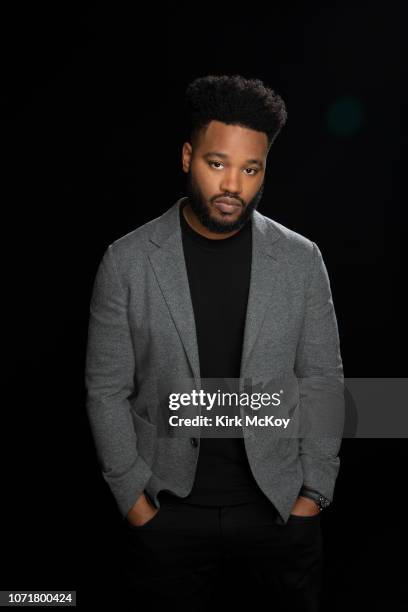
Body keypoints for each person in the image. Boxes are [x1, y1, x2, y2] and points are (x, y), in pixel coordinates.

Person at [85, 74, 345, 612]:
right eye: (217, 163)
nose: (234, 185)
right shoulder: (127, 261)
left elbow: (322, 380)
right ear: (187, 157)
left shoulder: (302, 261)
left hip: (277, 514)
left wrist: (313, 494)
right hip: (168, 513)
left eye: (250, 169)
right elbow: (106, 390)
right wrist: (135, 501)